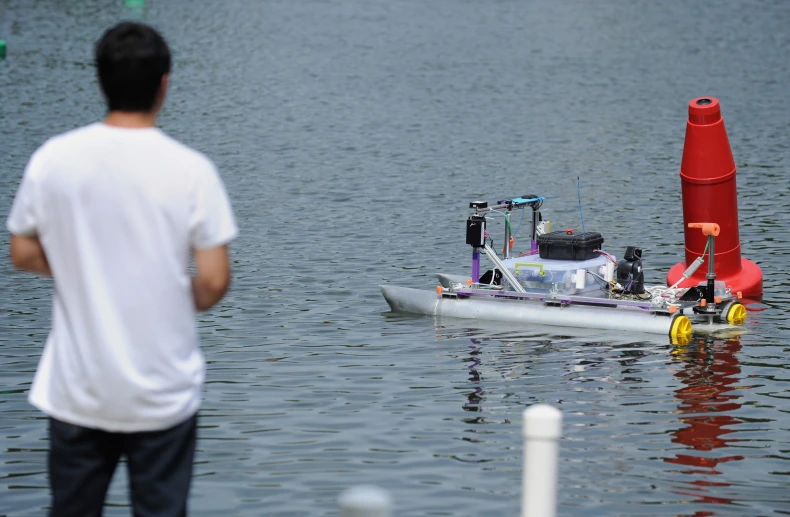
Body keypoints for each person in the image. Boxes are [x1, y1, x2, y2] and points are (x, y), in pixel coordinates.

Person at [6, 21, 237, 517]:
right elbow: (215, 279)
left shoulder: (55, 158)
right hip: (162, 389)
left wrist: (85, 272)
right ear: (164, 84)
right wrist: (169, 290)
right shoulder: (191, 169)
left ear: (100, 80)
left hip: (77, 389)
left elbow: (21, 252)